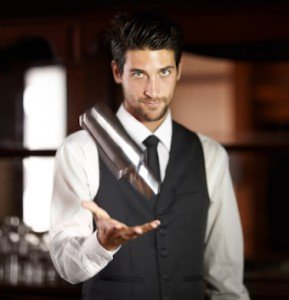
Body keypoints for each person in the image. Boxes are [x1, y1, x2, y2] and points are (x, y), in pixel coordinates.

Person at [49, 10, 250, 300]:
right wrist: (101, 243)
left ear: (179, 70)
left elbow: (228, 282)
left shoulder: (210, 154)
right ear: (118, 72)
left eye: (164, 72)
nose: (153, 90)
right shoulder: (80, 150)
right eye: (139, 74)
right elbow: (66, 267)